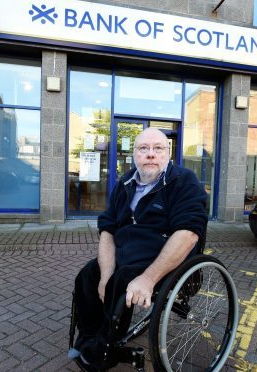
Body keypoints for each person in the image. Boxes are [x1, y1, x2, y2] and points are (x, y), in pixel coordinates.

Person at [70, 128, 208, 371]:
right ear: (134, 154)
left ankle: (105, 349)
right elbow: (107, 230)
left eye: (158, 148)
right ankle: (89, 338)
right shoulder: (124, 183)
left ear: (168, 153)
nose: (150, 155)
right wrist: (104, 275)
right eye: (144, 149)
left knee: (122, 280)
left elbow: (188, 234)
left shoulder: (184, 181)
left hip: (163, 258)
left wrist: (148, 278)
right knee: (86, 276)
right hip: (126, 253)